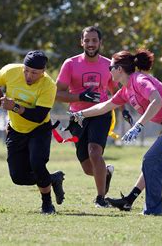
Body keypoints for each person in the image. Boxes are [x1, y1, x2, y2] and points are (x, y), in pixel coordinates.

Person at [70, 49, 162, 216]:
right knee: (151, 166)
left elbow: (157, 101)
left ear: (119, 69)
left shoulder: (139, 80)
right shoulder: (126, 89)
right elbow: (105, 106)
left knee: (151, 161)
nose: (108, 70)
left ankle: (153, 210)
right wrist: (80, 114)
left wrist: (138, 126)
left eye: (111, 67)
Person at [0, 50, 65, 215]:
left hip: (39, 129)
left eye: (34, 73)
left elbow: (38, 116)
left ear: (43, 72)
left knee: (37, 164)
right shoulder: (10, 71)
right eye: (26, 70)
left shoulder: (49, 85)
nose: (28, 75)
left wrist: (14, 107)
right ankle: (52, 179)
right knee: (18, 177)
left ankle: (47, 204)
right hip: (16, 130)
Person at [56, 26, 117, 208]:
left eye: (94, 41)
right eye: (87, 40)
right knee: (87, 167)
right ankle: (106, 173)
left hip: (101, 113)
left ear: (100, 43)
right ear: (81, 42)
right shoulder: (70, 64)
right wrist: (80, 97)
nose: (91, 44)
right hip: (78, 116)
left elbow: (117, 91)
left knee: (94, 152)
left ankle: (100, 198)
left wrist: (124, 109)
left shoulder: (109, 64)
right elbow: (57, 94)